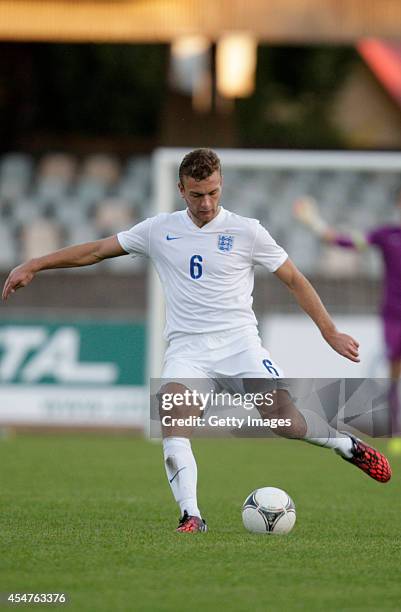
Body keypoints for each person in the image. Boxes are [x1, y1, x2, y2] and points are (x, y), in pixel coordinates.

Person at [2, 149, 391, 534]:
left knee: (284, 422)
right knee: (173, 423)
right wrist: (35, 263)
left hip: (241, 346)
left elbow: (293, 278)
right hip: (188, 352)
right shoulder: (158, 228)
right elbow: (96, 250)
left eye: (213, 193)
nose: (206, 203)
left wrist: (328, 330)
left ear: (221, 186)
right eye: (196, 194)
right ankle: (191, 516)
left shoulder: (247, 230)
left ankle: (346, 446)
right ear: (180, 189)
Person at [294, 194, 401, 443]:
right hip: (394, 316)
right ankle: (396, 433)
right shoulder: (386, 235)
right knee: (395, 372)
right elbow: (345, 242)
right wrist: (314, 223)